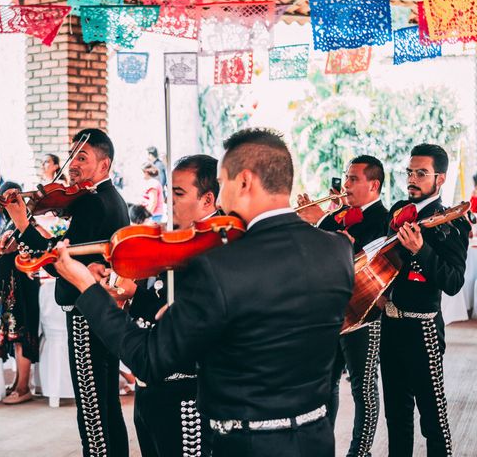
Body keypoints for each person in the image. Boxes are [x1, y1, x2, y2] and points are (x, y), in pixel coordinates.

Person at [52, 128, 355, 457]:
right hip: (315, 437)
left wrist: (86, 286)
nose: (220, 198)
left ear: (245, 181)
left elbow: (150, 360)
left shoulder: (221, 266)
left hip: (245, 445)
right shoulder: (337, 250)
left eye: (222, 183)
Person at [3, 129, 130, 457]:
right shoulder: (109, 198)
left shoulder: (92, 203)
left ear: (104, 166)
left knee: (91, 407)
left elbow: (60, 263)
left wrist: (22, 224)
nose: (72, 164)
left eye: (82, 158)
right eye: (72, 155)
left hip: (87, 312)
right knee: (106, 401)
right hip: (104, 310)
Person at [92, 154, 219, 457]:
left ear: (208, 200)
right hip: (149, 387)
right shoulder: (175, 241)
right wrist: (127, 290)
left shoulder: (217, 251)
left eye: (178, 193)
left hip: (185, 392)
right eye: (168, 190)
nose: (169, 202)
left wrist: (135, 295)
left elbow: (179, 316)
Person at [380, 144, 469, 457]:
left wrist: (422, 250)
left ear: (440, 178)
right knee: (397, 416)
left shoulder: (453, 222)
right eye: (409, 172)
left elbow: (454, 282)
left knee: (433, 419)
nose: (412, 179)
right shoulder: (398, 211)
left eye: (421, 173)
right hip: (389, 327)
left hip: (424, 330)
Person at [297, 155, 388, 457]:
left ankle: (358, 453)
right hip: (329, 312)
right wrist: (318, 222)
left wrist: (323, 226)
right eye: (346, 178)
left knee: (363, 389)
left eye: (353, 179)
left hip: (363, 313)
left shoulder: (383, 220)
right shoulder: (339, 215)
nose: (346, 184)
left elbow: (364, 261)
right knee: (326, 384)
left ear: (373, 185)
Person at [0, 181, 41, 405]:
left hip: (21, 286)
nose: (5, 204)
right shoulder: (6, 223)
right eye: (3, 200)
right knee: (14, 338)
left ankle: (23, 387)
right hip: (7, 290)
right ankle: (18, 381)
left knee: (21, 336)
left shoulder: (26, 222)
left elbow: (33, 246)